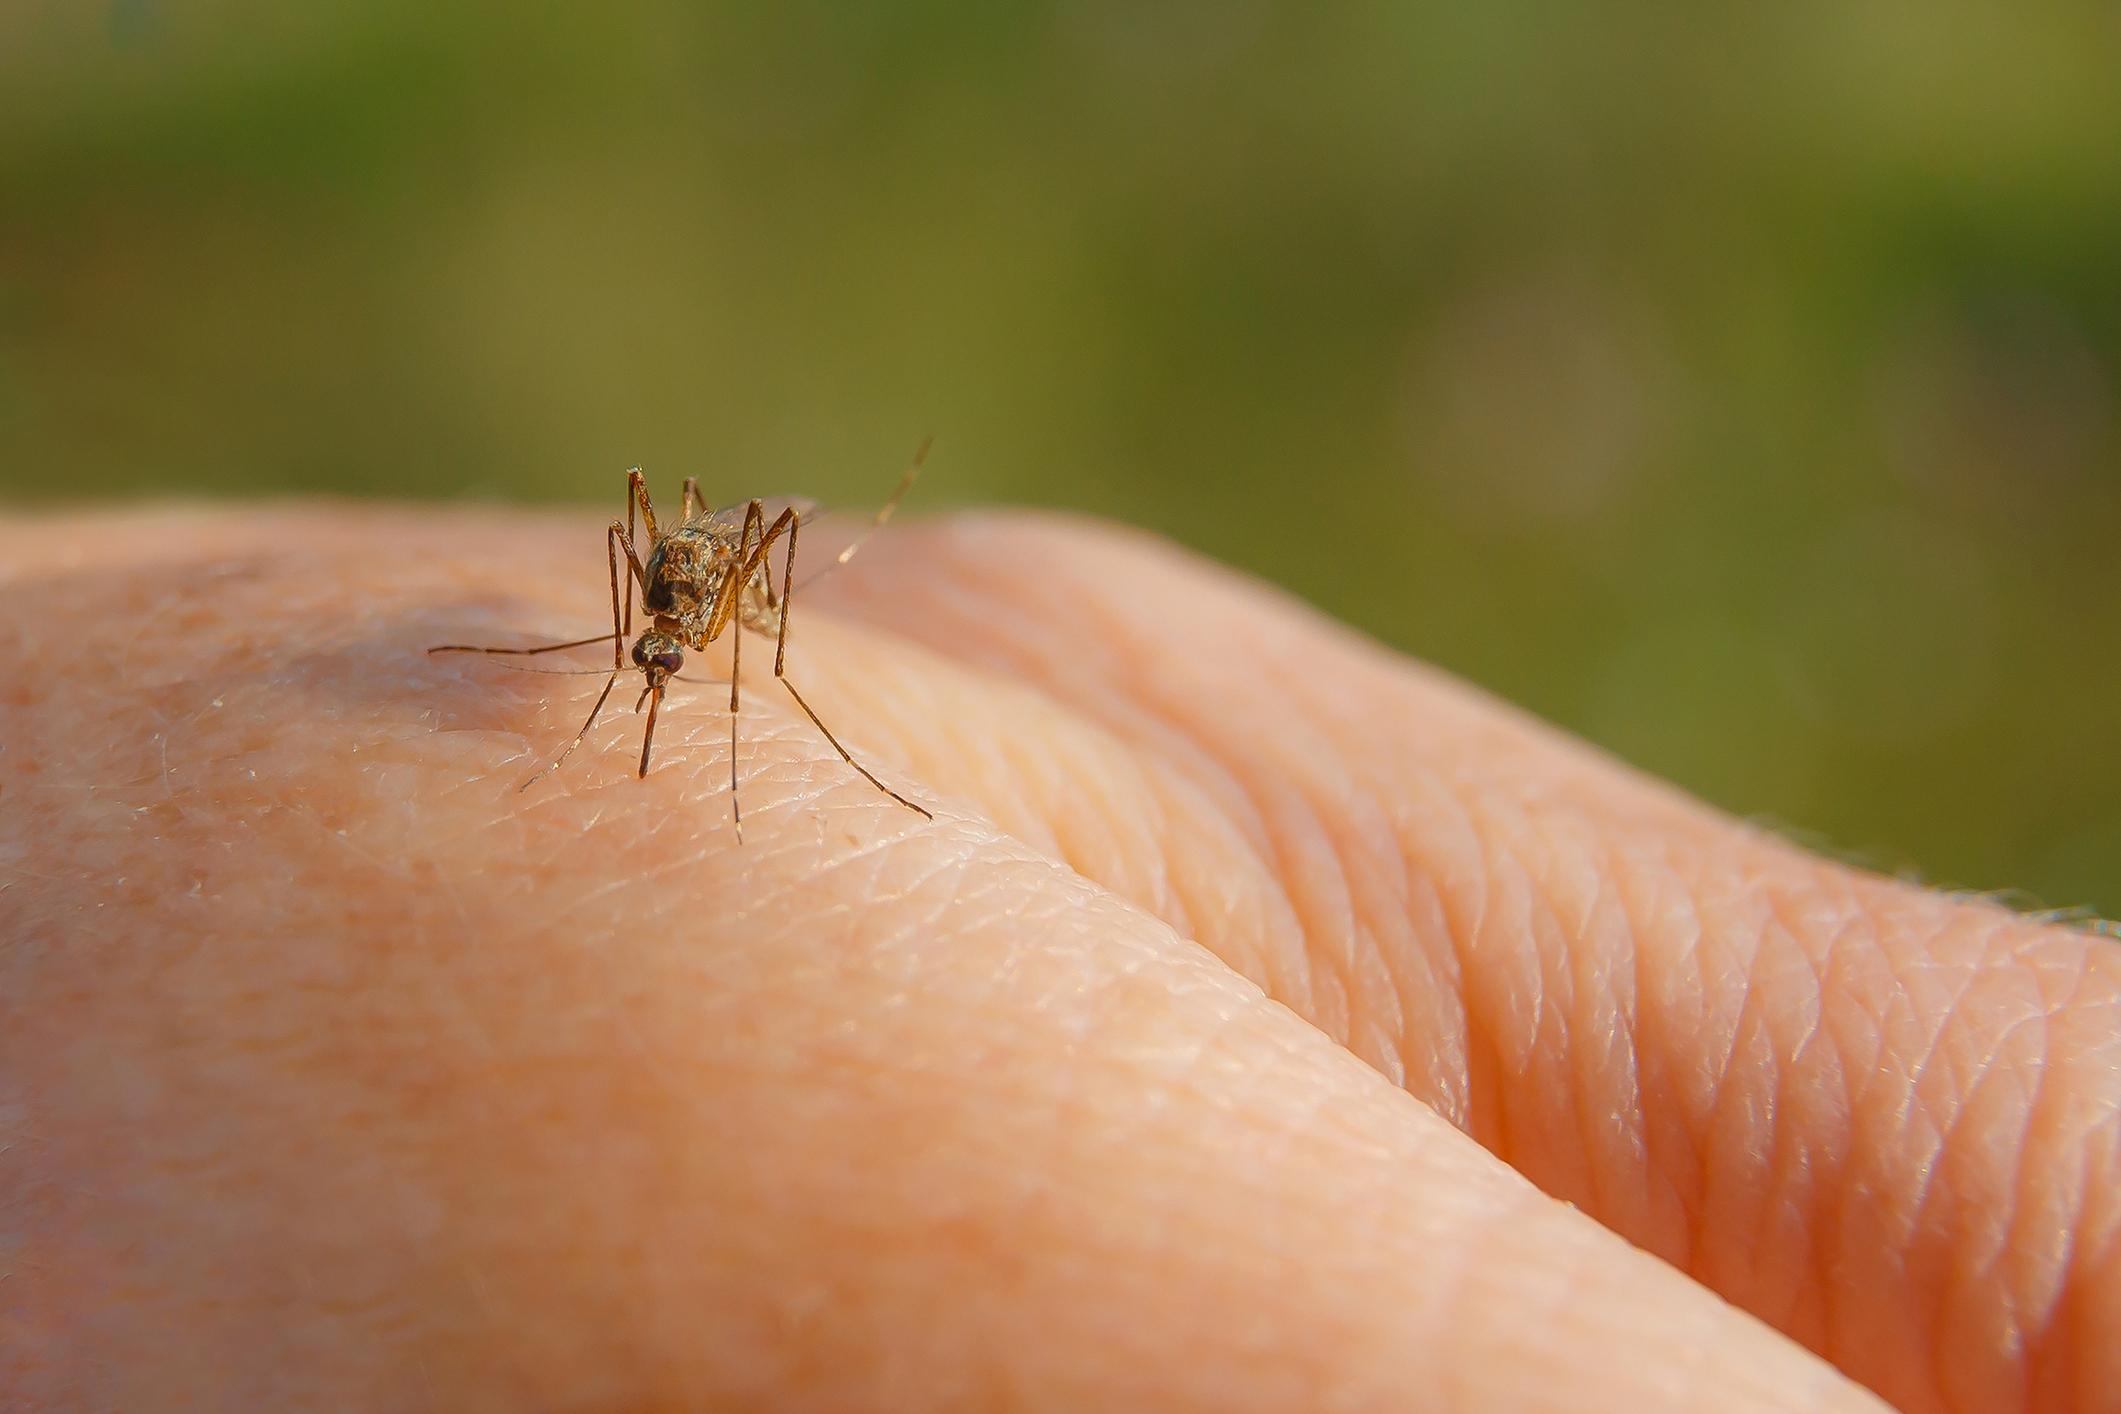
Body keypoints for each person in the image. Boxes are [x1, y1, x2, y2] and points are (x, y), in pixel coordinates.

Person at [4, 505, 2114, 1412]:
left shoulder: (721, 614)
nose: (656, 655)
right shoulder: (634, 609)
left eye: (662, 637)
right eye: (653, 639)